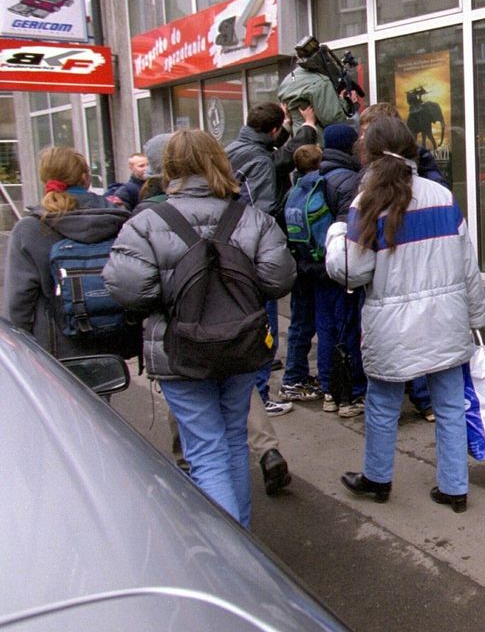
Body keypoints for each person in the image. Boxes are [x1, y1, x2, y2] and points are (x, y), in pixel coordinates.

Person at [104, 129, 296, 526]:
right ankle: (241, 544)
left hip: (181, 349)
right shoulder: (251, 218)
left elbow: (129, 290)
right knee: (232, 443)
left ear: (170, 168)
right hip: (241, 345)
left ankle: (231, 561)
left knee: (206, 451)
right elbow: (279, 279)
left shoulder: (146, 223)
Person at [328, 116, 485, 508]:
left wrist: (336, 234)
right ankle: (454, 488)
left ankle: (378, 479)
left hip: (392, 326)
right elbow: (468, 265)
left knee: (382, 405)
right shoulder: (442, 196)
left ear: (368, 154)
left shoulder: (366, 203)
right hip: (446, 321)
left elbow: (351, 270)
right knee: (450, 406)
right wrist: (476, 320)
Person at [359, 101, 445, 420]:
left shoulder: (423, 173)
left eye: (368, 132)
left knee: (415, 338)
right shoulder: (365, 176)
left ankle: (422, 398)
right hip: (384, 274)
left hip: (412, 269)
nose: (363, 138)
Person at [4, 147, 133, 358]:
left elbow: (18, 302)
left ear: (45, 179)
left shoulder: (31, 228)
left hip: (55, 349)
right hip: (112, 342)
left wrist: (20, 351)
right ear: (85, 178)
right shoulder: (117, 219)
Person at [225, 102, 292, 417]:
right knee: (264, 326)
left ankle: (247, 397)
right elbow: (263, 212)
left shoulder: (233, 149)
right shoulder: (260, 160)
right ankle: (261, 398)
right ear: (274, 130)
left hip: (230, 251)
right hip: (252, 255)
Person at [314, 121, 367, 417]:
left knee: (326, 329)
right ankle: (351, 393)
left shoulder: (311, 174)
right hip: (339, 268)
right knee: (348, 328)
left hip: (314, 265)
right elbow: (352, 230)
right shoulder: (349, 180)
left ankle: (329, 390)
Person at [278, 144, 324, 402]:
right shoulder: (318, 187)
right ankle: (294, 378)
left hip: (299, 263)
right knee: (314, 324)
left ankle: (294, 376)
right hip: (317, 264)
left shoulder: (293, 191)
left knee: (300, 324)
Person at [277, 46, 356, 132]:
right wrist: (346, 102)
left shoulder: (287, 81)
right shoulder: (320, 82)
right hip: (317, 140)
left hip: (297, 140)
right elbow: (334, 120)